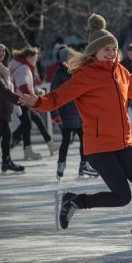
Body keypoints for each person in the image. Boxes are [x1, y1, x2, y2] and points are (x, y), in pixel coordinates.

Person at [19, 14, 132, 259]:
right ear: (94, 52)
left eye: (114, 48)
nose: (111, 53)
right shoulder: (85, 75)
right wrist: (37, 101)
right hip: (99, 145)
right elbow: (56, 99)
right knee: (122, 196)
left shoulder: (120, 72)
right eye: (106, 49)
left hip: (122, 142)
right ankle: (75, 201)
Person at [50, 47, 98, 180]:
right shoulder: (59, 75)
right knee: (65, 141)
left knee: (85, 140)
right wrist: (55, 114)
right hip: (66, 114)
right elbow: (53, 95)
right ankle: (61, 164)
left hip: (80, 113)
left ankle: (84, 164)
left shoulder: (80, 72)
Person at [9, 46, 59, 159]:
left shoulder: (20, 65)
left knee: (35, 120)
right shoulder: (24, 68)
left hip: (20, 98)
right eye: (34, 58)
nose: (36, 61)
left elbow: (26, 83)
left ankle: (48, 144)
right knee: (27, 123)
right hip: (22, 99)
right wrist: (31, 100)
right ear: (29, 57)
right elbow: (22, 85)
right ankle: (14, 145)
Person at [0, 43, 23, 174]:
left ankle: (6, 162)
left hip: (4, 110)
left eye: (3, 51)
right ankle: (6, 161)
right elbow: (3, 90)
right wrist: (19, 100)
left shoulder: (4, 69)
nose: (1, 54)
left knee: (7, 136)